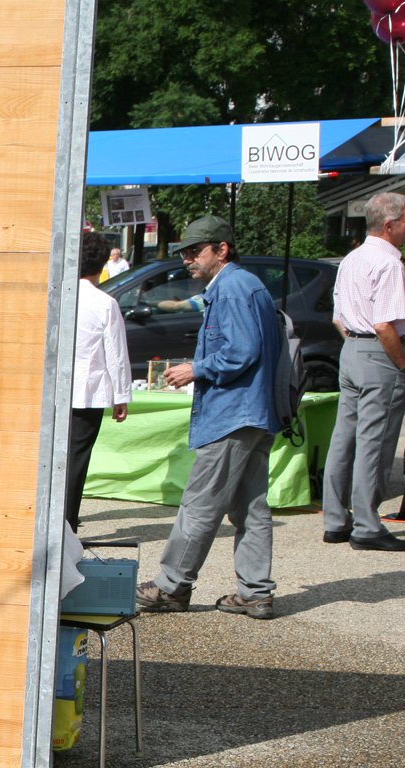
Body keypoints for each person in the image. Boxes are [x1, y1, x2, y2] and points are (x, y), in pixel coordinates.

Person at [135, 215, 284, 620]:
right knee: (251, 507)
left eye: (195, 251)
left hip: (234, 415)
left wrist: (194, 369)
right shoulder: (243, 285)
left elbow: (241, 351)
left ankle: (171, 586)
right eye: (184, 252)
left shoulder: (233, 287)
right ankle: (255, 592)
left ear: (222, 249)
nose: (187, 259)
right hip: (252, 413)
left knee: (200, 503)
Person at [324, 191, 405, 552]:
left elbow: (338, 316)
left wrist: (357, 344)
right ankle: (366, 523)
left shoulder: (351, 258)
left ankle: (336, 518)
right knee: (374, 440)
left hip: (352, 349)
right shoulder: (388, 263)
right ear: (390, 225)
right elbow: (384, 324)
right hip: (378, 351)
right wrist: (399, 363)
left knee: (344, 436)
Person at [69, 231, 133, 530]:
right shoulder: (105, 303)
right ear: (104, 263)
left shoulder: (57, 295)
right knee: (77, 460)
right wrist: (121, 396)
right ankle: (68, 519)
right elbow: (116, 354)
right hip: (87, 391)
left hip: (55, 391)